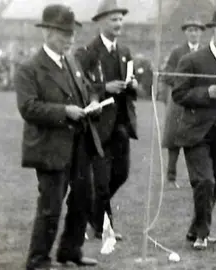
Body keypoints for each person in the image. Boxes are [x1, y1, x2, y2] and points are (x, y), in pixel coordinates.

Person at [15, 4, 103, 269]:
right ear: (48, 33)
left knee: (83, 200)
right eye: (65, 33)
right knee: (51, 207)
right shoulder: (29, 69)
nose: (71, 39)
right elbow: (28, 108)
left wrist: (94, 103)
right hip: (49, 148)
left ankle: (70, 251)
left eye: (72, 33)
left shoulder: (72, 62)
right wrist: (65, 111)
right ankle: (38, 260)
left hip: (78, 145)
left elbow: (86, 92)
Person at [171, 9, 216, 250]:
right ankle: (202, 234)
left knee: (213, 183)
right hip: (196, 132)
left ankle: (197, 230)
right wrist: (207, 93)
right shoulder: (192, 60)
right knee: (204, 182)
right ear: (214, 31)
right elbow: (178, 94)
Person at [75, 0, 140, 241]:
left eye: (121, 19)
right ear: (101, 22)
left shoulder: (125, 53)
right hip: (98, 126)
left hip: (121, 124)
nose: (118, 23)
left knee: (121, 174)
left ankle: (93, 213)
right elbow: (80, 84)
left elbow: (133, 86)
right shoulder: (88, 52)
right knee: (101, 181)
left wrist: (133, 85)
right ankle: (104, 226)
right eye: (114, 20)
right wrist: (105, 87)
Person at [162, 17, 206, 189]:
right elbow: (167, 74)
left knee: (197, 141)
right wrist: (182, 84)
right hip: (179, 102)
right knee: (174, 140)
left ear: (201, 33)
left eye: (196, 30)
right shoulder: (177, 52)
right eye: (190, 30)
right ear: (185, 33)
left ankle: (197, 178)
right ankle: (171, 177)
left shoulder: (205, 53)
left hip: (198, 102)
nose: (193, 33)